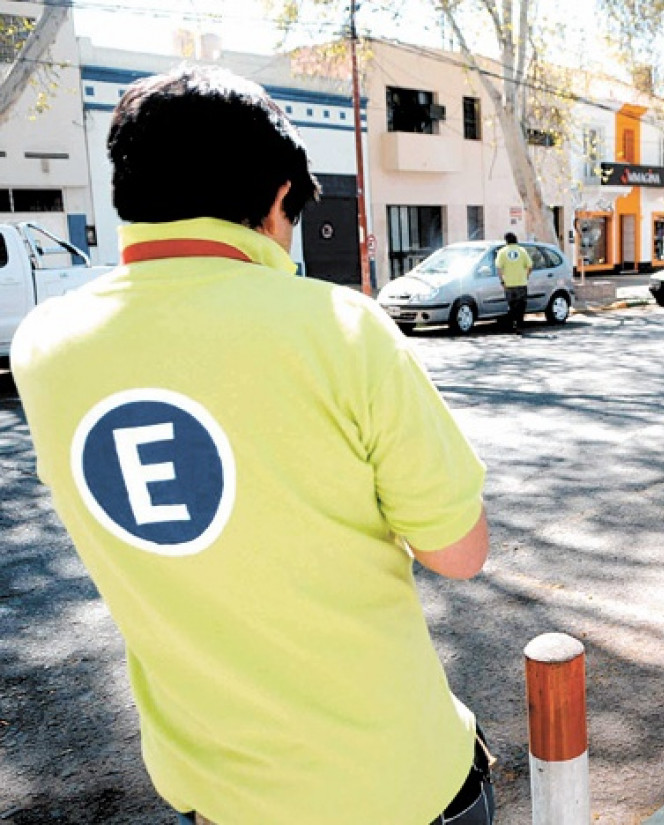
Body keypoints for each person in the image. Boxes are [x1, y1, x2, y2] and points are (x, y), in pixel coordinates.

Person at [11, 66, 494, 825]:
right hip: (394, 783)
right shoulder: (339, 328)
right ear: (276, 199)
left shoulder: (43, 347)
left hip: (218, 796)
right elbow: (459, 552)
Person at [494, 232, 532, 332]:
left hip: (509, 284)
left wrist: (502, 281)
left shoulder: (502, 252)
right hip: (521, 283)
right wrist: (526, 276)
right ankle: (519, 325)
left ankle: (511, 325)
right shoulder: (522, 251)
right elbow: (529, 265)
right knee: (521, 306)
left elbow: (499, 268)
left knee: (511, 305)